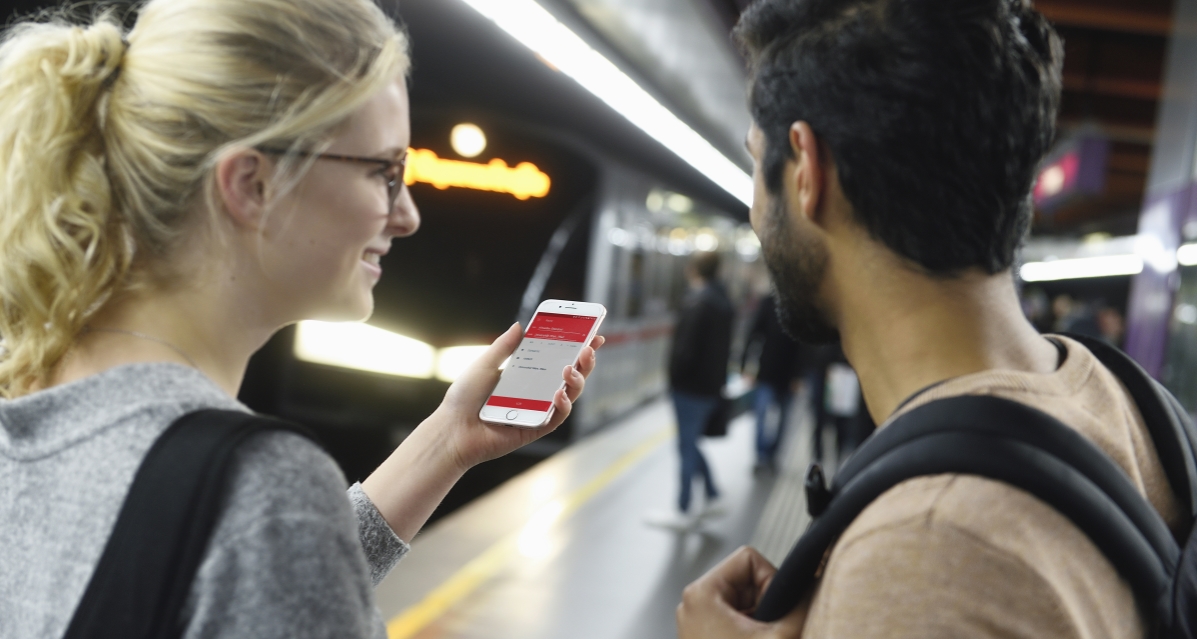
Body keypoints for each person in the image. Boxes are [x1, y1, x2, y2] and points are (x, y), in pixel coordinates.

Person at [0, 2, 602, 637]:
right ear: (253, 184)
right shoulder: (263, 495)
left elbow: (215, 580)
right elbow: (263, 548)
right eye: (384, 172)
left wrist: (446, 443)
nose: (407, 216)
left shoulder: (32, 401)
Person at [677, 0, 1178, 637]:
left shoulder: (924, 549)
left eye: (757, 160)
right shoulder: (1130, 402)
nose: (755, 208)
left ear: (806, 169)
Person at [647, 251, 734, 530]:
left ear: (694, 269)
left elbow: (686, 351)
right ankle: (712, 495)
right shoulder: (724, 303)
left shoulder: (698, 303)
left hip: (690, 388)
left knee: (686, 445)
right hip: (710, 387)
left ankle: (683, 509)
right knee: (692, 442)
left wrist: (674, 379)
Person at [740, 293, 803, 472]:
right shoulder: (767, 303)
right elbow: (753, 334)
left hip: (790, 376)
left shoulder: (800, 305)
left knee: (784, 420)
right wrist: (745, 364)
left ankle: (773, 456)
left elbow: (805, 346)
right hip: (767, 372)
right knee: (761, 415)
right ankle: (761, 456)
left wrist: (799, 376)